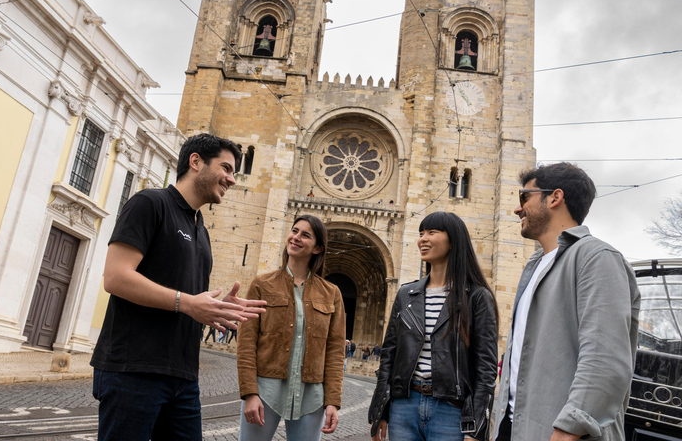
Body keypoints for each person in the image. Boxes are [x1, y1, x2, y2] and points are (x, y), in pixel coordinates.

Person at [90, 134, 267, 441]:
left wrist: (216, 309)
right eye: (226, 168)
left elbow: (189, 299)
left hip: (183, 379)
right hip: (134, 371)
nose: (232, 180)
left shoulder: (202, 232)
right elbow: (116, 277)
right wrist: (187, 303)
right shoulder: (149, 203)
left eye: (234, 172)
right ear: (196, 161)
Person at [493, 163, 640, 441]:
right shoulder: (534, 264)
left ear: (554, 198)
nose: (517, 208)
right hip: (515, 429)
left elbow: (605, 358)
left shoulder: (597, 257)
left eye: (525, 197)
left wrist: (569, 428)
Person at [369, 211, 498, 441]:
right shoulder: (406, 295)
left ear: (452, 241)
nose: (422, 239)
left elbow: (485, 369)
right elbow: (389, 355)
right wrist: (381, 410)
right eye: (421, 233)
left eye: (432, 232)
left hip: (451, 411)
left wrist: (476, 427)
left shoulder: (477, 297)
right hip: (404, 407)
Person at [237, 215, 346, 441]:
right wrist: (250, 392)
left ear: (317, 249)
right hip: (265, 390)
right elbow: (246, 343)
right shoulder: (261, 284)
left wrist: (333, 401)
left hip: (311, 395)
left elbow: (335, 350)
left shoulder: (332, 293)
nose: (295, 237)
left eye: (305, 235)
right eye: (294, 231)